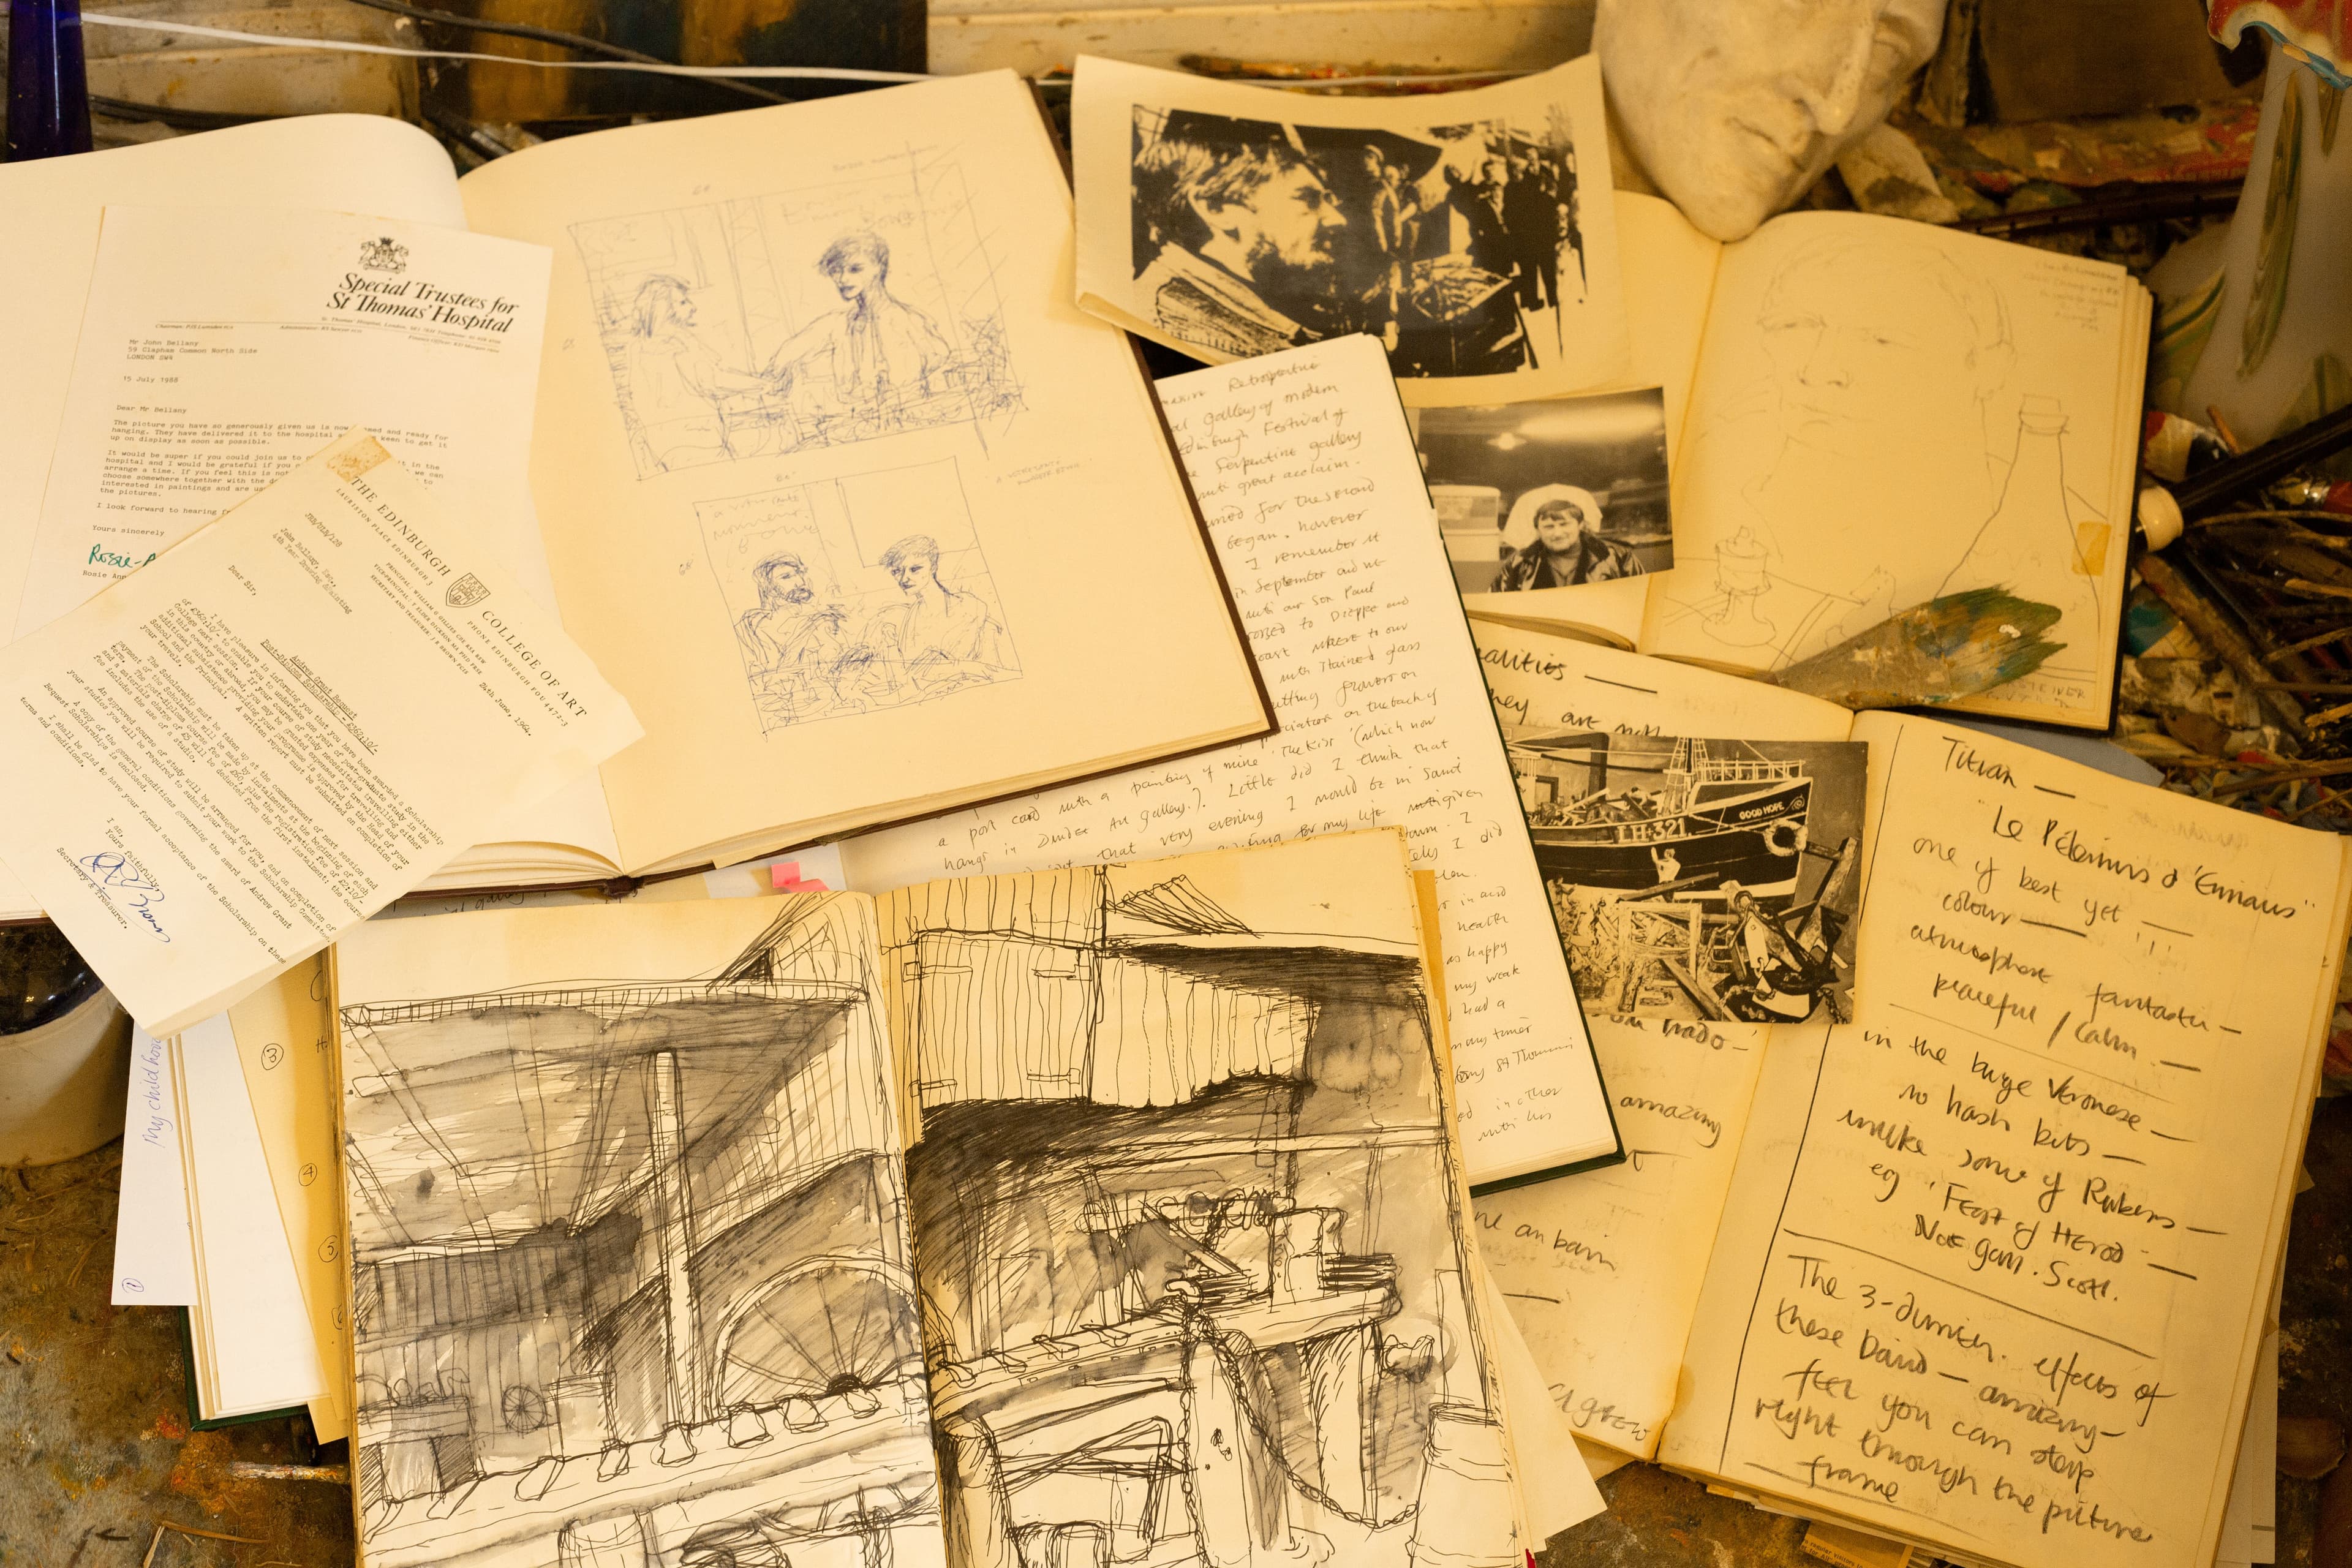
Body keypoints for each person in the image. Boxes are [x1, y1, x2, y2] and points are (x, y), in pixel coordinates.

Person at [1132, 118, 1348, 357]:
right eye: (1307, 199)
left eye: (1327, 200)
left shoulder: (1277, 304)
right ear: (1216, 209)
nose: (1337, 219)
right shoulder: (1170, 331)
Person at [767, 232, 952, 420]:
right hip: (860, 423)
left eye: (855, 269)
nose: (842, 279)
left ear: (879, 269)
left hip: (914, 419)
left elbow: (939, 362)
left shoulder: (909, 320)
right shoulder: (838, 324)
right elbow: (787, 355)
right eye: (836, 271)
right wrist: (782, 373)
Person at [627, 275, 777, 469]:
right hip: (699, 440)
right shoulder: (678, 343)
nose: (692, 307)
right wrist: (763, 385)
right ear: (663, 309)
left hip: (663, 445)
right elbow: (712, 381)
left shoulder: (636, 346)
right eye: (682, 302)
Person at [841, 535, 1012, 703]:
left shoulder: (969, 607)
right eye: (897, 572)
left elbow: (977, 668)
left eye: (915, 569)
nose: (904, 578)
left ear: (933, 567)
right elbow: (906, 675)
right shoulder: (908, 617)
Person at [735, 553, 853, 725]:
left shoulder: (824, 621)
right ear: (768, 587)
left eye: (800, 574)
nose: (800, 582)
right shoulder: (750, 628)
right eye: (787, 577)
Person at [1496, 484, 1645, 590]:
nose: (1557, 533)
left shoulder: (1618, 558)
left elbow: (1642, 598)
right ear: (1538, 530)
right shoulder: (1519, 564)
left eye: (1564, 524)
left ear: (1581, 525)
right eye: (1549, 527)